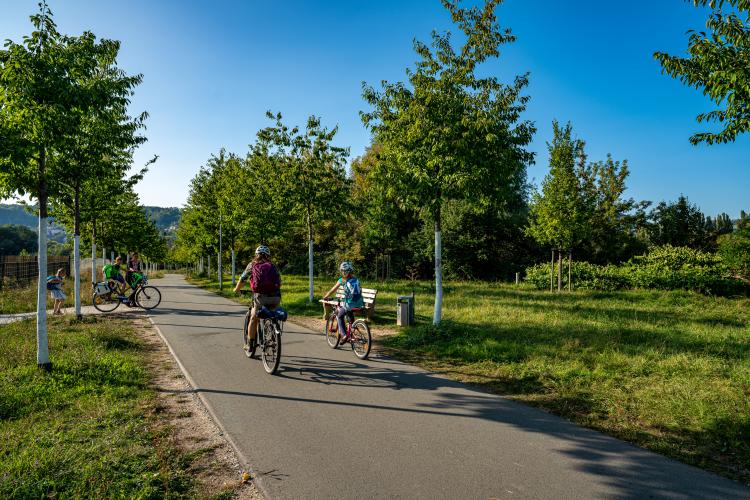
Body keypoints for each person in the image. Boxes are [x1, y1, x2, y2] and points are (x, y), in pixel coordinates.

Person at [233, 245, 282, 350]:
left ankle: (250, 345)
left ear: (256, 254)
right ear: (268, 255)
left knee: (254, 318)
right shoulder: (273, 265)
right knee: (272, 315)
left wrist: (236, 289)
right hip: (275, 297)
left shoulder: (252, 264)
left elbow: (243, 279)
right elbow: (279, 282)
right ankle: (273, 336)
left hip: (260, 297)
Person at [322, 261, 364, 344]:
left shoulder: (342, 280)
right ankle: (351, 332)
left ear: (342, 271)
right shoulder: (356, 279)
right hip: (359, 304)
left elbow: (332, 290)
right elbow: (359, 291)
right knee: (349, 313)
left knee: (339, 315)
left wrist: (326, 296)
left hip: (349, 304)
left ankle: (344, 335)